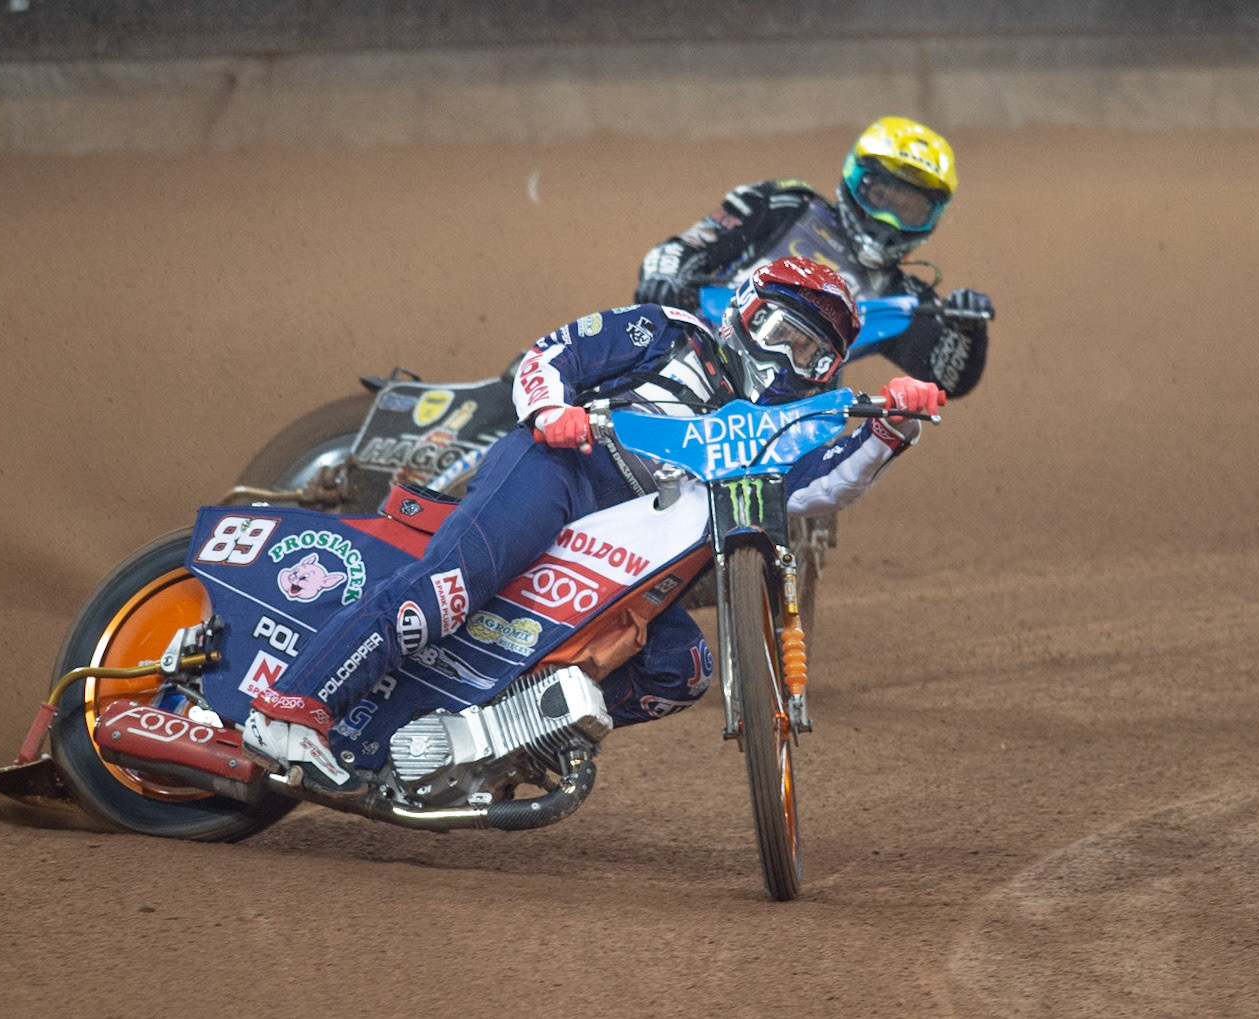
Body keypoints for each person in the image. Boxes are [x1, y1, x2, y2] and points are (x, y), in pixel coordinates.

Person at [241, 258, 945, 790]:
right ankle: (291, 705)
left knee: (683, 668)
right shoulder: (668, 332)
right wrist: (552, 411)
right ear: (743, 311)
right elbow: (554, 353)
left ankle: (509, 736)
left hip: (634, 556)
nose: (790, 359)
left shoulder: (785, 428)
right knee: (449, 590)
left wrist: (893, 428)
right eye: (779, 332)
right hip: (566, 475)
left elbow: (816, 487)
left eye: (812, 353)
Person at [634, 116, 993, 399]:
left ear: (932, 218)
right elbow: (680, 250)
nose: (888, 220)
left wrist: (967, 331)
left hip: (782, 420)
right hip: (686, 358)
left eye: (910, 209)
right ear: (855, 181)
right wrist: (665, 281)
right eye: (881, 196)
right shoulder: (783, 205)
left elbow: (945, 378)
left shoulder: (905, 298)